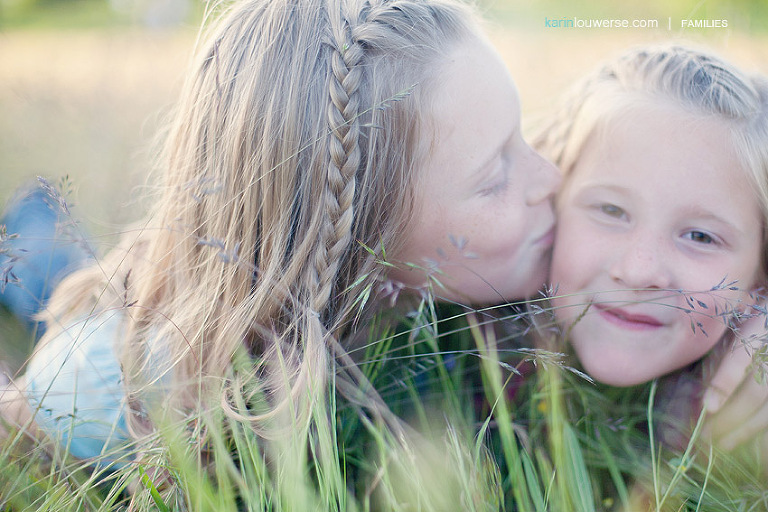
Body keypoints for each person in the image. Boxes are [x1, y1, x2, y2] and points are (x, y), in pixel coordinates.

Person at [0, 0, 559, 505]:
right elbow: (18, 421)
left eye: (523, 136)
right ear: (356, 228)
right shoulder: (128, 382)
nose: (551, 177)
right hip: (134, 327)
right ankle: (31, 221)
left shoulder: (445, 300)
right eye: (494, 176)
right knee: (54, 273)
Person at [535, 44, 768, 476]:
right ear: (551, 200)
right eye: (611, 210)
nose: (640, 272)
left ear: (760, 278)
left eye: (700, 236)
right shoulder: (442, 336)